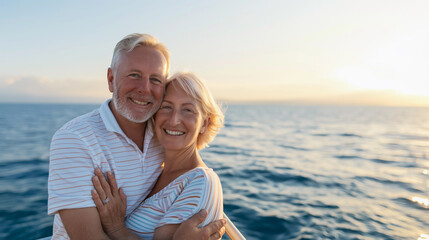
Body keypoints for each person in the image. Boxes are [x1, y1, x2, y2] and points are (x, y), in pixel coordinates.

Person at [47, 33, 226, 239]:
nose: (144, 89)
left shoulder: (161, 137)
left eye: (156, 79)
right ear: (111, 79)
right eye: (134, 75)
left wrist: (116, 227)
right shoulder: (74, 140)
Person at [91, 72, 225, 240]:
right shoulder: (154, 170)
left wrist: (116, 228)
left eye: (188, 110)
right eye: (166, 107)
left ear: (204, 123)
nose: (174, 120)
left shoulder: (201, 181)